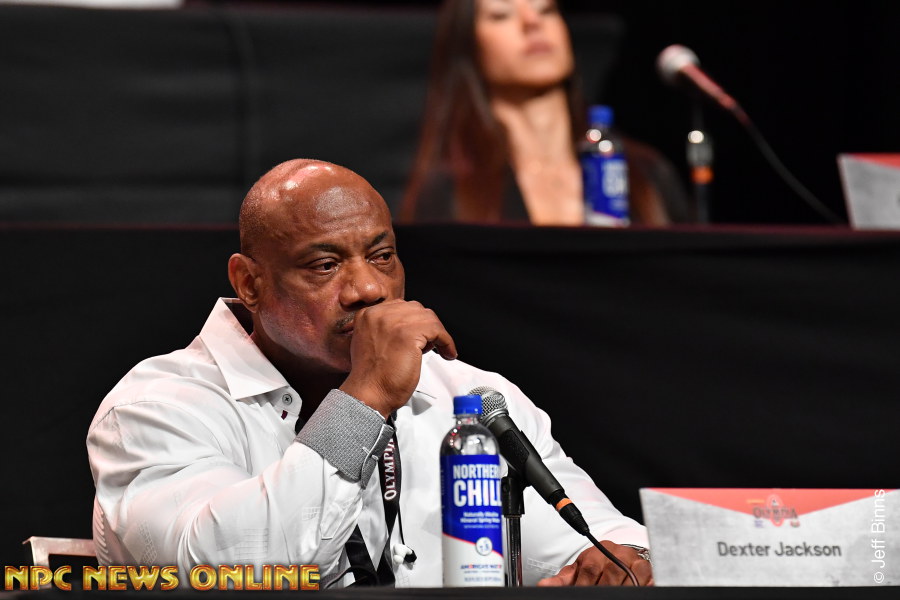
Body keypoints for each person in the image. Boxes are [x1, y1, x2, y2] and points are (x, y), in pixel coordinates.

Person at [87, 158, 652, 587]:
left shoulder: (471, 395)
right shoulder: (157, 408)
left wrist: (620, 563)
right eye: (325, 265)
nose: (369, 289)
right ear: (249, 284)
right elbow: (231, 573)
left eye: (382, 256)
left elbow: (604, 536)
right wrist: (366, 398)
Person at [400, 0, 691, 226]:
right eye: (501, 15)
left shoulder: (645, 172)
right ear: (469, 48)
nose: (532, 22)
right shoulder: (451, 189)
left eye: (546, 10)